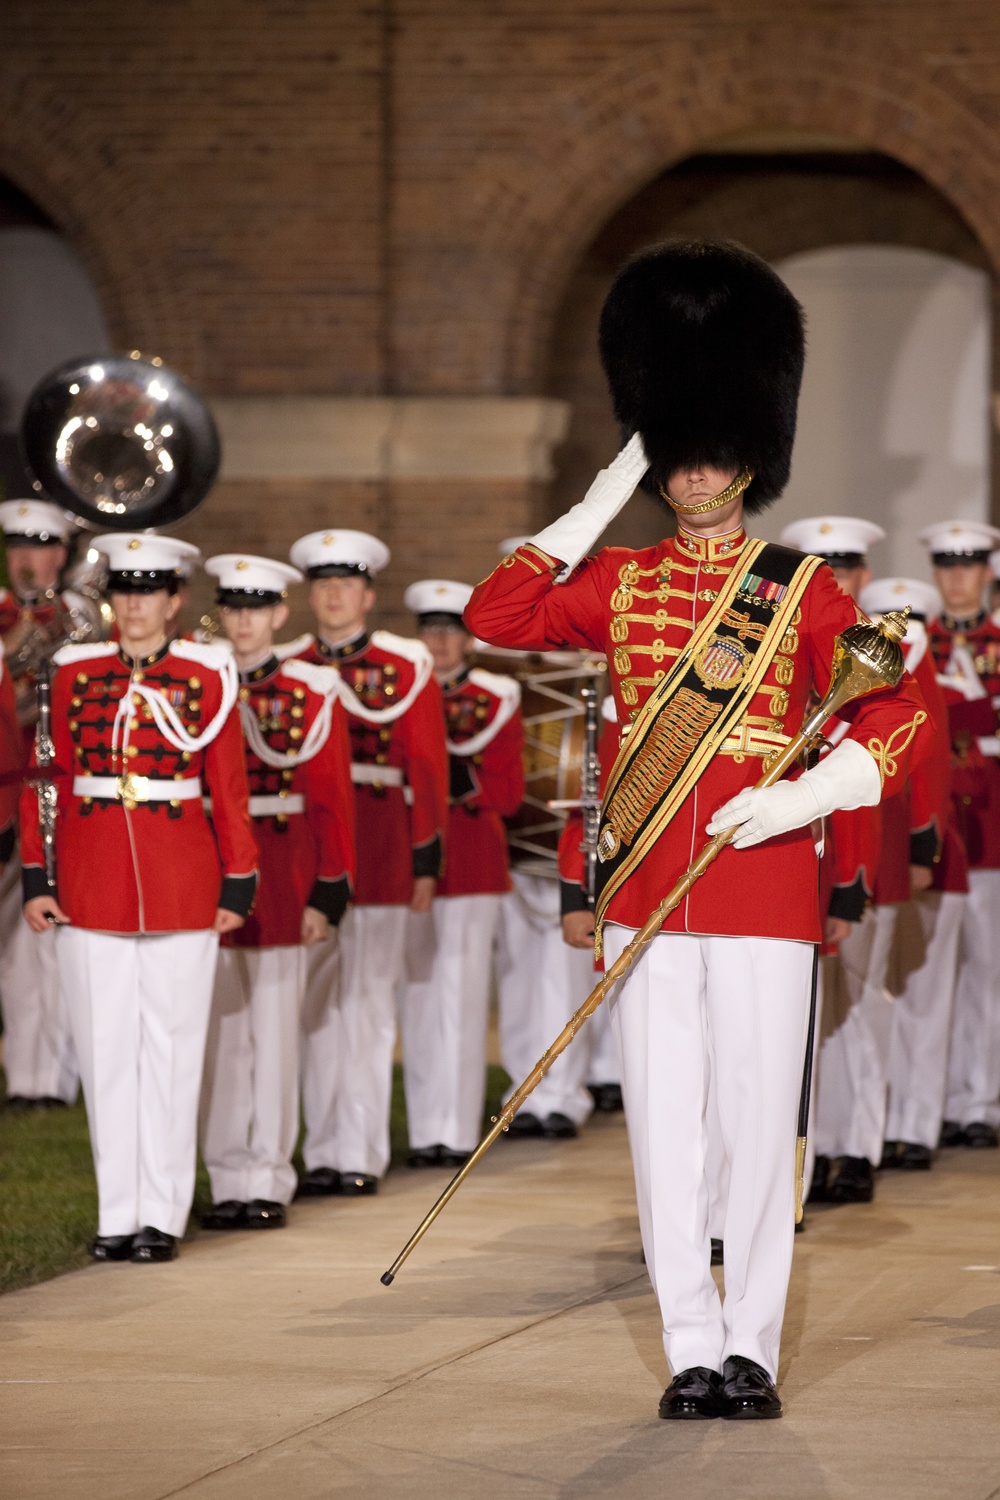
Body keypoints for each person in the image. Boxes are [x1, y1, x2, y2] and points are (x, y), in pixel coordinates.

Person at [465, 239, 931, 1420]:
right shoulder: (617, 582)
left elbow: (902, 713)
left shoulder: (802, 589)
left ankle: (753, 1349)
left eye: (712, 451)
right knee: (664, 1127)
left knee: (757, 1120)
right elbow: (498, 610)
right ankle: (687, 1345)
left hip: (765, 880)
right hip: (644, 892)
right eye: (677, 451)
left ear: (753, 458)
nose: (697, 473)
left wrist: (805, 797)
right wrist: (610, 477)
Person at [20, 533, 258, 1263]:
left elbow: (228, 784)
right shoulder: (71, 671)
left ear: (174, 599)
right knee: (105, 1055)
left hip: (183, 881)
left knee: (174, 1053)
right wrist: (38, 876)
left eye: (149, 591)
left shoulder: (207, 673)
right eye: (124, 591)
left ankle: (161, 1213)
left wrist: (238, 880)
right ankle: (117, 1213)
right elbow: (47, 778)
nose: (135, 604)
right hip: (91, 884)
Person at [287, 529, 449, 1196]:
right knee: (315, 1006)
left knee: (369, 1005)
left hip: (380, 843)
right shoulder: (285, 665)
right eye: (322, 584)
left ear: (368, 594)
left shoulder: (403, 663)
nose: (332, 595)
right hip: (309, 852)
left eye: (345, 584)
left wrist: (425, 858)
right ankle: (321, 1150)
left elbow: (428, 765)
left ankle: (360, 1152)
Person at [198, 554, 355, 1229]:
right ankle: (225, 1173)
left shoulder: (311, 688)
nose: (242, 621)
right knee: (221, 1035)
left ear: (278, 615)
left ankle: (267, 1175)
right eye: (232, 608)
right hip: (211, 868)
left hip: (286, 870)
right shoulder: (199, 680)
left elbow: (331, 798)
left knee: (273, 1032)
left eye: (255, 609)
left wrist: (330, 891)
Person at [398, 579, 523, 1166]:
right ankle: (426, 1130)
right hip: (412, 862)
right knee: (418, 997)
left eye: (451, 630)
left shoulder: (496, 695)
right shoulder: (396, 695)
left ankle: (457, 1127)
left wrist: (453, 778)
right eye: (430, 629)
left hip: (472, 862)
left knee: (464, 997)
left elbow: (507, 790)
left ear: (468, 640)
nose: (440, 641)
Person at [857, 577, 966, 1171]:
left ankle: (904, 1127)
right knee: (862, 998)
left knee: (901, 993)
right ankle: (869, 1131)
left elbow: (925, 752)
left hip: (896, 846)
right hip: (852, 843)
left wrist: (924, 849)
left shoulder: (909, 649)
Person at [0, 498, 83, 1111]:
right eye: (17, 548)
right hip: (8, 792)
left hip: (57, 792)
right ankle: (26, 1071)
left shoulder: (82, 618)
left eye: (40, 548)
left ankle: (47, 1078)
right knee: (14, 945)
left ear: (60, 554)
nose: (27, 560)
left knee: (47, 939)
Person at [922, 520, 1000, 1149]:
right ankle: (935, 1103)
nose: (957, 578)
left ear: (986, 572)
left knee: (989, 973)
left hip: (994, 825)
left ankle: (979, 1101)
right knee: (928, 973)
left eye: (968, 566)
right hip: (941, 828)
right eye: (946, 566)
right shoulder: (917, 643)